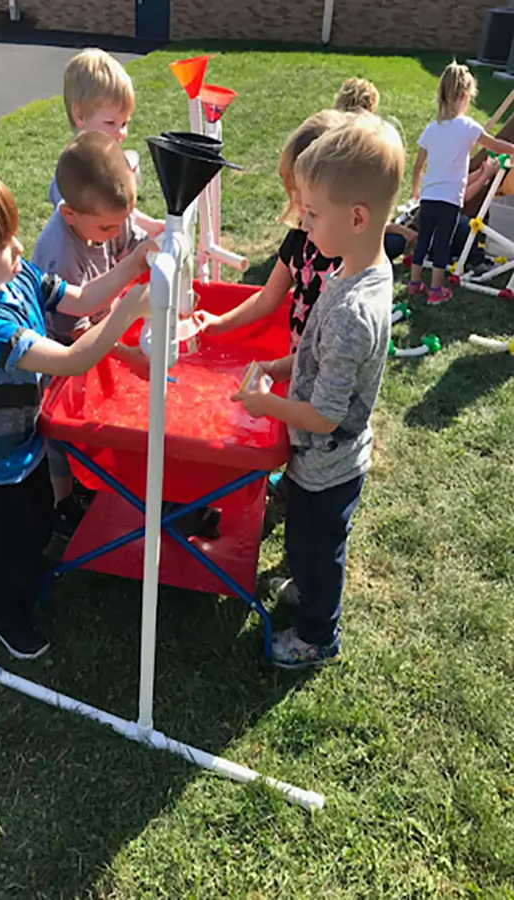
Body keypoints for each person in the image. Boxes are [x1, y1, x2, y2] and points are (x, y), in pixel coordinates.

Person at [0, 152, 154, 660]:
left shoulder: (18, 275)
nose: (19, 246)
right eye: (1, 243)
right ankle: (9, 613)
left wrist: (132, 263)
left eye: (11, 232)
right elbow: (70, 359)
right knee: (11, 546)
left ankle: (32, 561)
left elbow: (84, 298)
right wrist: (128, 310)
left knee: (40, 518)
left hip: (30, 441)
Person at [232, 114, 405, 669]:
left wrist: (267, 404)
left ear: (356, 217)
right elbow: (318, 356)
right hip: (319, 457)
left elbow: (326, 416)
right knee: (305, 540)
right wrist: (283, 365)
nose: (302, 225)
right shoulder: (352, 270)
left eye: (311, 214)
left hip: (328, 462)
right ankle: (305, 589)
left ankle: (317, 634)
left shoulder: (356, 309)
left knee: (317, 546)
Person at [32, 131, 151, 533]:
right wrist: (129, 354)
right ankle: (62, 499)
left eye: (122, 220)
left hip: (98, 328)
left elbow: (129, 243)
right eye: (106, 226)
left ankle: (98, 470)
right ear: (70, 214)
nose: (115, 231)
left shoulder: (107, 215)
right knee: (62, 433)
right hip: (61, 351)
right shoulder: (59, 254)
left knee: (99, 410)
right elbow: (76, 332)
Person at [198, 110, 345, 352]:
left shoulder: (349, 257)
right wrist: (220, 323)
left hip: (328, 372)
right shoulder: (299, 240)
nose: (297, 202)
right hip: (296, 363)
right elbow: (267, 299)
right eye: (292, 192)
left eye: (304, 195)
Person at [409, 61, 514, 304]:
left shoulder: (432, 129)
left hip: (428, 197)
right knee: (442, 244)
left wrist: (416, 189)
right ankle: (435, 290)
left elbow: (418, 165)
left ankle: (415, 283)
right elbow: (495, 146)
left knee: (423, 239)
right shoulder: (468, 127)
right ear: (465, 96)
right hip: (449, 200)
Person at [50, 48, 163, 238]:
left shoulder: (109, 163)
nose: (122, 133)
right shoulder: (73, 175)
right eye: (111, 123)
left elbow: (118, 212)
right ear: (80, 116)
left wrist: (148, 225)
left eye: (125, 123)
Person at [384, 157, 500, 272]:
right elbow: (460, 196)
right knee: (464, 226)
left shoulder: (440, 181)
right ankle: (475, 262)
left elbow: (457, 186)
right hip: (425, 236)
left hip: (427, 230)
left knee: (460, 226)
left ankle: (468, 258)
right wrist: (485, 176)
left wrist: (482, 172)